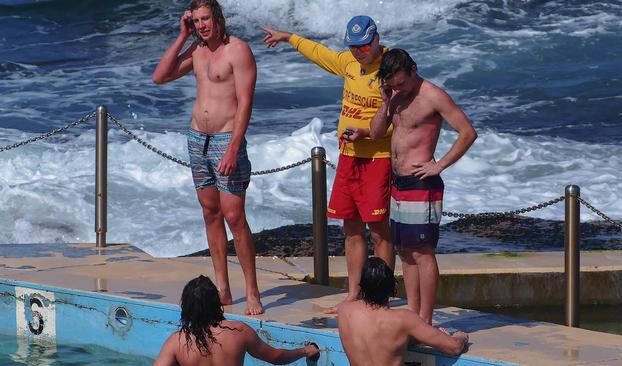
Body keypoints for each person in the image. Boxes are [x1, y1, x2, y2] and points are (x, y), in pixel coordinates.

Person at [262, 16, 395, 313]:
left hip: (377, 158)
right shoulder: (349, 61)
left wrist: (367, 133)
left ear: (376, 39)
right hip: (348, 156)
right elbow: (321, 54)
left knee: (379, 231)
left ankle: (382, 297)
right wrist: (289, 38)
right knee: (351, 226)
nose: (357, 52)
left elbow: (402, 119)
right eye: (353, 47)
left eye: (362, 46)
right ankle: (354, 294)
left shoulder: (391, 66)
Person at [152, 0, 263, 315]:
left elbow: (245, 103)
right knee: (210, 212)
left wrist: (232, 148)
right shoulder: (196, 51)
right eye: (196, 20)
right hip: (197, 138)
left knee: (234, 216)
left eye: (205, 19)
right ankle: (223, 290)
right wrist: (181, 37)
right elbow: (159, 77)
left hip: (227, 140)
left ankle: (252, 292)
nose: (202, 25)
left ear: (218, 18)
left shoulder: (237, 50)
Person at [370, 49, 477, 325]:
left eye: (401, 83)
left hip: (421, 183)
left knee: (422, 252)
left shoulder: (433, 95)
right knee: (404, 251)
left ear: (413, 69)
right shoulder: (394, 96)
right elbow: (376, 133)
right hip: (398, 183)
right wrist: (386, 103)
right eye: (392, 84)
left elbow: (468, 133)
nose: (398, 88)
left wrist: (438, 165)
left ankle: (426, 319)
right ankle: (413, 314)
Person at [153, 275, 320, 366]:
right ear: (216, 302)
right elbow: (276, 357)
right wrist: (305, 351)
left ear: (186, 307)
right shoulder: (239, 332)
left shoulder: (177, 341)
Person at [338, 257, 469, 365]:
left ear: (362, 286)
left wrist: (418, 337)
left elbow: (375, 338)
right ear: (392, 287)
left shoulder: (345, 311)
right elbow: (454, 347)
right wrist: (460, 337)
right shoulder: (403, 319)